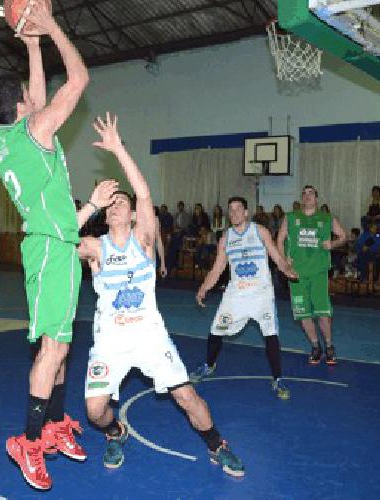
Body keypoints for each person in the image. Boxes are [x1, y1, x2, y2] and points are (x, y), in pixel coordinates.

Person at [0, 3, 117, 489]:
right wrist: (51, 24)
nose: (33, 97)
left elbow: (38, 96)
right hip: (48, 250)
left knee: (59, 347)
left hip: (56, 242)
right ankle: (28, 438)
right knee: (55, 347)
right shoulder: (35, 131)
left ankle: (56, 424)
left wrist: (32, 42)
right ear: (21, 105)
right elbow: (78, 79)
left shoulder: (9, 139)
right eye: (27, 95)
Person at [76, 113, 245, 477]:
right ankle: (114, 432)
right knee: (94, 410)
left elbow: (145, 192)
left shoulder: (144, 240)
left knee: (187, 396)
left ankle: (218, 445)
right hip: (110, 342)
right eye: (113, 202)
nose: (120, 203)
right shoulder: (94, 247)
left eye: (124, 200)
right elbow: (57, 237)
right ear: (106, 215)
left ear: (134, 213)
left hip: (150, 337)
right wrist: (90, 203)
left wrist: (118, 148)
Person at [192, 196, 298, 399]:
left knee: (271, 333)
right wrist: (203, 288)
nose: (234, 213)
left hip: (261, 295)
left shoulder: (260, 231)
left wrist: (287, 270)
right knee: (216, 330)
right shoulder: (225, 238)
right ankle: (209, 365)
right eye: (230, 210)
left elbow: (277, 257)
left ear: (246, 212)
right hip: (236, 296)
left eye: (238, 209)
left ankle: (277, 379)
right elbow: (217, 269)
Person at [277, 186, 348, 365]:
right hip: (296, 274)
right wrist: (284, 262)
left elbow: (344, 236)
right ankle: (316, 346)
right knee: (303, 314)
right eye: (304, 193)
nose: (307, 196)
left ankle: (330, 346)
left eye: (311, 193)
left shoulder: (326, 218)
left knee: (323, 314)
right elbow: (279, 240)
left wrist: (332, 244)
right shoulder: (291, 217)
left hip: (318, 273)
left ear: (317, 199)